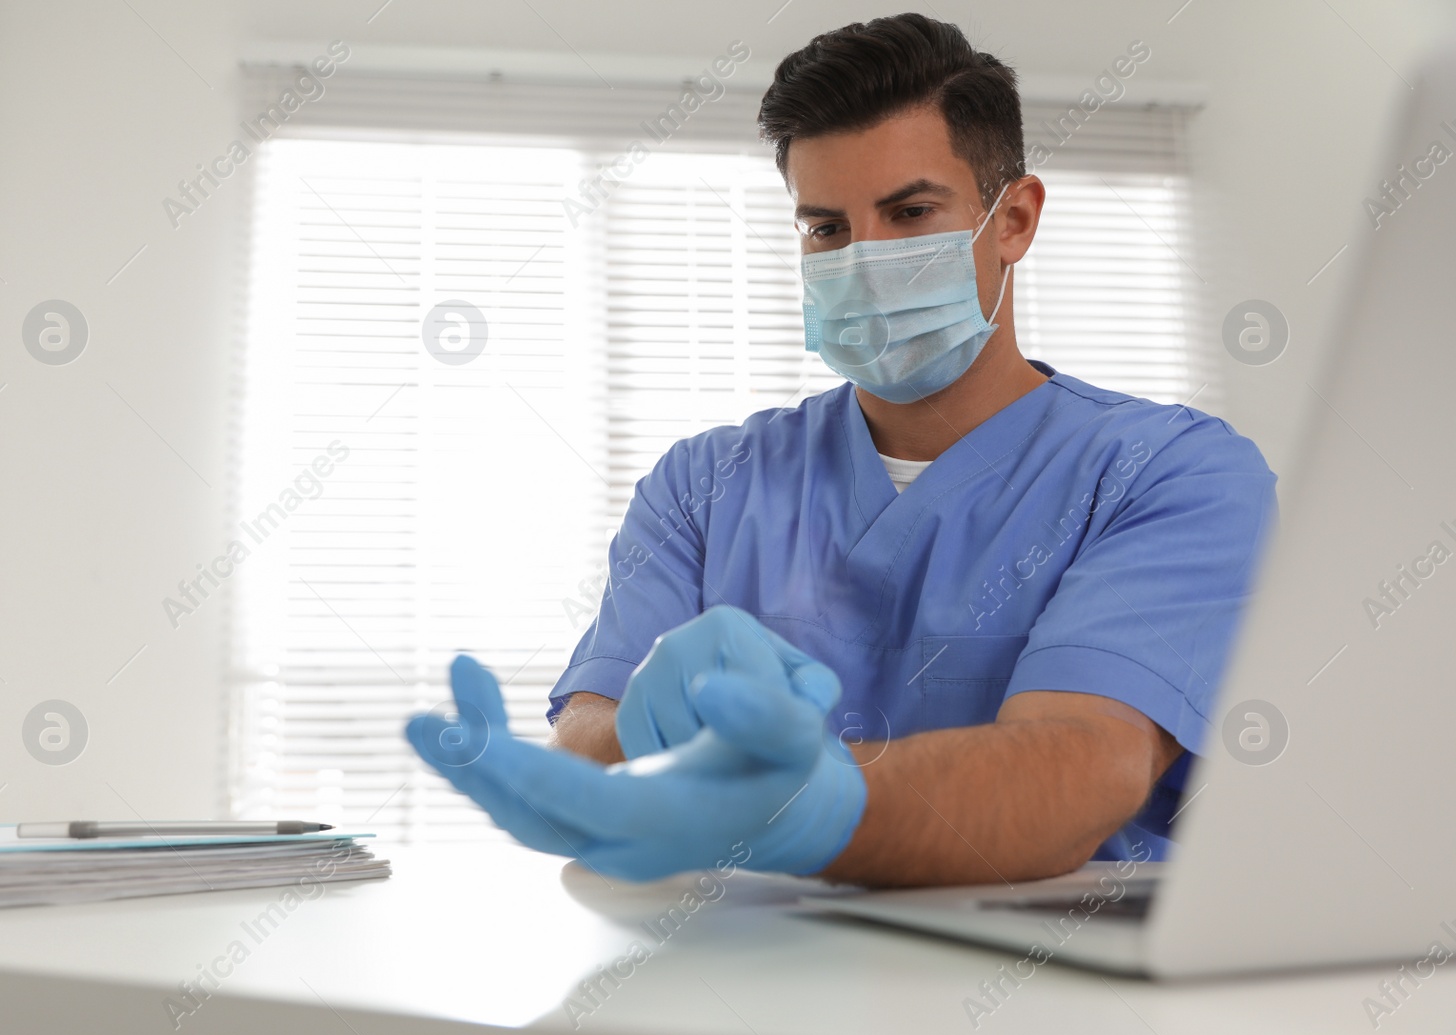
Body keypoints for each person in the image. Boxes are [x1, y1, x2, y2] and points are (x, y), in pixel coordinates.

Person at [408, 13, 1276, 887]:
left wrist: (794, 805)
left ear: (1012, 220)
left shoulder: (1170, 475)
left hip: (1049, 990)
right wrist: (639, 726)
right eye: (826, 228)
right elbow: (588, 740)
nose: (864, 260)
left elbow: (1081, 769)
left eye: (910, 213)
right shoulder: (705, 485)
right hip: (741, 979)